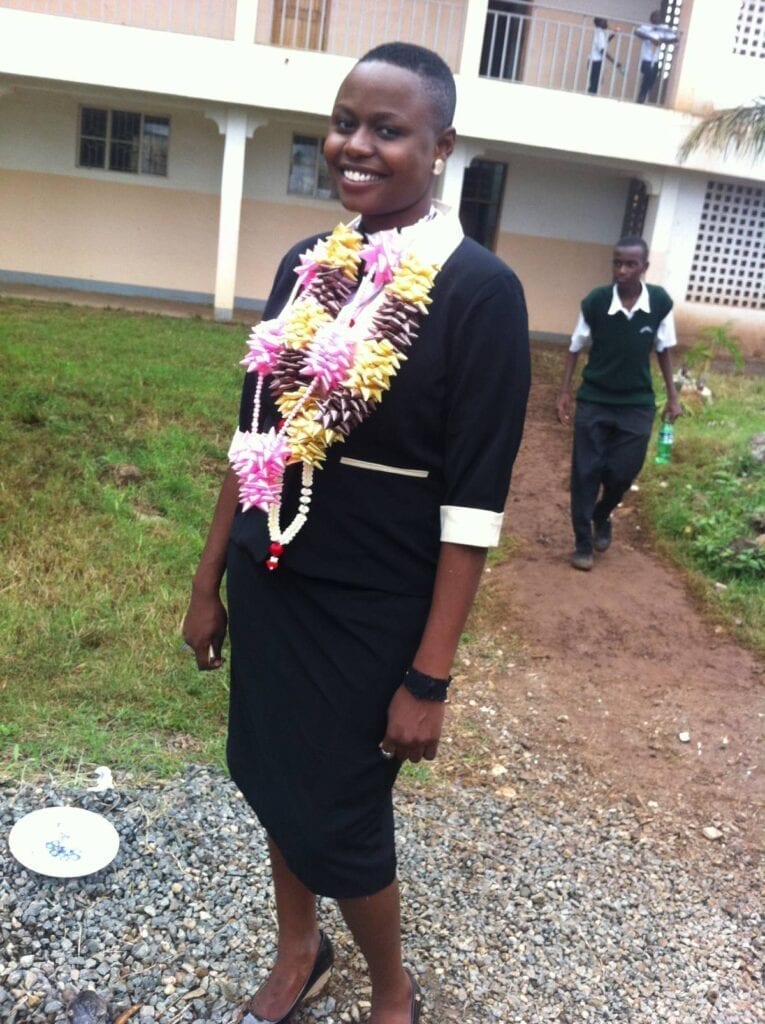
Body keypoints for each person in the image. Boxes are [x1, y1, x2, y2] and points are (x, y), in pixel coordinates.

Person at [182, 41, 530, 1024]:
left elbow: (472, 512)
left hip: (374, 610)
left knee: (339, 810)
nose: (357, 146)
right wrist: (209, 579)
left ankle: (392, 989)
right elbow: (255, 436)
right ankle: (303, 949)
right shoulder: (307, 265)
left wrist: (430, 675)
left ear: (441, 146)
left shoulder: (479, 293)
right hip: (272, 578)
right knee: (268, 777)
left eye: (388, 129)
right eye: (346, 122)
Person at [555, 236, 681, 571]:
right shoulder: (596, 302)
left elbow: (664, 349)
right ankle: (583, 541)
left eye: (630, 264)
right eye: (617, 263)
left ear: (644, 267)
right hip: (595, 399)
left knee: (624, 470)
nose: (621, 270)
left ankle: (602, 513)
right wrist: (565, 391)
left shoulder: (659, 303)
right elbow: (574, 347)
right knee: (586, 471)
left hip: (637, 402)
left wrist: (672, 396)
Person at [634, 11, 679, 104]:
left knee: (652, 78)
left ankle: (644, 95)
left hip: (656, 59)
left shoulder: (664, 28)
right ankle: (642, 95)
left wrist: (662, 40)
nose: (657, 18)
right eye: (655, 16)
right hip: (646, 58)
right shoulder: (646, 27)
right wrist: (650, 38)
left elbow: (675, 38)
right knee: (648, 74)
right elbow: (637, 32)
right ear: (651, 19)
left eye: (659, 16)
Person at [588, 17, 615, 95]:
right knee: (595, 84)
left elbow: (603, 44)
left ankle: (591, 96)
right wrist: (614, 62)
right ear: (600, 23)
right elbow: (602, 50)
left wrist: (612, 35)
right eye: (604, 21)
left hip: (594, 61)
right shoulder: (600, 34)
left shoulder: (599, 32)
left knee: (595, 83)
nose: (607, 22)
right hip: (595, 62)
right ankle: (591, 98)